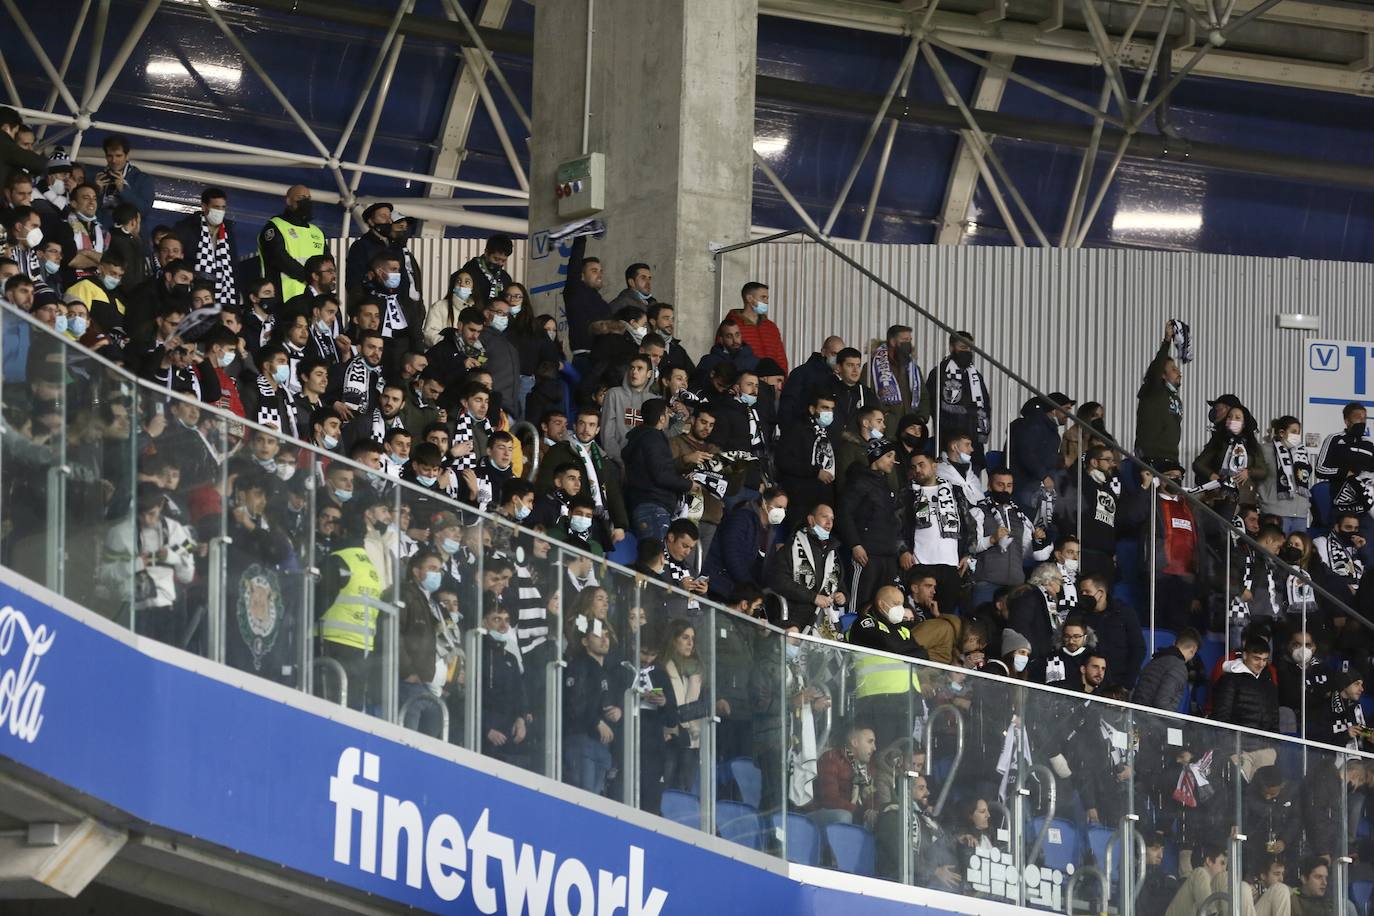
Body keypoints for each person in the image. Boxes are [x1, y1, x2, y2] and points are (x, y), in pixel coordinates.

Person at [316, 505, 388, 713]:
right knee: (351, 706)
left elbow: (320, 600)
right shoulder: (370, 567)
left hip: (332, 640)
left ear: (344, 531)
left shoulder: (339, 559)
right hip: (362, 646)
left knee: (326, 705)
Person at [838, 439, 913, 609]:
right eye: (888, 456)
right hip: (866, 555)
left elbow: (894, 520)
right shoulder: (858, 481)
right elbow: (844, 514)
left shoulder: (886, 485)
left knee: (884, 606)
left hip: (887, 555)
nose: (893, 460)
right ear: (876, 456)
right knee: (860, 603)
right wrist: (855, 544)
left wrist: (899, 549)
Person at [970, 467, 1052, 610]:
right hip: (987, 583)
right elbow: (971, 546)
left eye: (1009, 485)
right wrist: (993, 539)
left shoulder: (1021, 517)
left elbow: (1026, 553)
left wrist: (1037, 540)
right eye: (1000, 485)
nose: (1005, 489)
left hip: (1016, 585)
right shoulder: (978, 511)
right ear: (989, 485)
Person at [768, 503, 847, 638]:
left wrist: (843, 596)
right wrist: (814, 597)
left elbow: (841, 584)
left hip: (824, 618)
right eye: (824, 517)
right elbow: (780, 581)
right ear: (811, 520)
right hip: (795, 614)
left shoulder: (833, 551)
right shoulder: (791, 547)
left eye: (832, 519)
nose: (829, 522)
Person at [623, 398, 695, 543]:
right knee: (655, 557)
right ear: (662, 418)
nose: (669, 417)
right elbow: (661, 475)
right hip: (652, 507)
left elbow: (656, 468)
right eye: (668, 414)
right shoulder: (653, 438)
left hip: (644, 504)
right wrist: (689, 485)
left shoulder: (641, 437)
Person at [563, 615, 621, 795]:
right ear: (585, 641)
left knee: (595, 800)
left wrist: (619, 711)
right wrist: (597, 722)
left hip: (601, 745)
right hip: (581, 740)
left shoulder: (607, 671)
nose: (605, 639)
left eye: (606, 634)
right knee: (583, 798)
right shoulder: (579, 666)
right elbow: (575, 702)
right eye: (598, 635)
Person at [702, 488, 788, 600]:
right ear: (764, 503)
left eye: (784, 509)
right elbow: (732, 556)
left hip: (740, 588)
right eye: (778, 507)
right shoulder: (741, 518)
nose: (781, 512)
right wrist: (752, 589)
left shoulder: (770, 532)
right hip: (719, 582)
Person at [925, 331, 992, 473]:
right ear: (951, 348)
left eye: (969, 348)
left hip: (974, 441)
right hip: (949, 440)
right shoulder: (939, 373)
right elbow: (934, 405)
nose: (966, 351)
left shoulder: (975, 375)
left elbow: (985, 405)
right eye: (962, 347)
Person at [774, 392, 836, 530]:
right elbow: (783, 460)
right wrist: (815, 472)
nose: (829, 413)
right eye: (825, 408)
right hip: (800, 499)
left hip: (824, 498)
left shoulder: (831, 433)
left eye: (831, 409)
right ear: (812, 409)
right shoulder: (796, 430)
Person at [479, 604, 530, 766]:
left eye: (506, 620)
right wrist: (485, 729)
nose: (503, 625)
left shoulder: (511, 657)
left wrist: (521, 720)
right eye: (497, 619)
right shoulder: (476, 650)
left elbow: (519, 693)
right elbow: (467, 695)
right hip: (484, 736)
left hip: (509, 733)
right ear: (484, 622)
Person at [257, 185, 324, 304]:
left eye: (309, 198)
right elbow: (278, 257)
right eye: (301, 197)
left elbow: (326, 262)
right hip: (283, 297)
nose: (306, 201)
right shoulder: (275, 226)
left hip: (314, 297)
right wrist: (309, 277)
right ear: (288, 201)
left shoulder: (316, 232)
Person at [173, 187, 238, 306]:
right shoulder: (187, 228)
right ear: (204, 207)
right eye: (216, 207)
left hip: (221, 292)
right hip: (193, 290)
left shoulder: (228, 231)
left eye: (223, 208)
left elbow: (233, 265)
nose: (220, 211)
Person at [1136, 320, 1185, 465]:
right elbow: (1155, 369)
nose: (1179, 372)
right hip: (1151, 457)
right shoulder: (1153, 390)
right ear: (1163, 375)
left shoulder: (1175, 398)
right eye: (1173, 369)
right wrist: (1166, 341)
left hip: (1171, 458)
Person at [814, 723, 878, 828]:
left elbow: (874, 799)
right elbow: (830, 800)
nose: (874, 748)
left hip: (856, 815)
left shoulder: (867, 768)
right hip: (823, 817)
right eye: (870, 742)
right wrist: (860, 812)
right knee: (844, 816)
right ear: (855, 743)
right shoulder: (831, 759)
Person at [867, 324, 926, 432]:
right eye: (904, 340)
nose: (908, 344)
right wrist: (886, 416)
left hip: (910, 430)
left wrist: (921, 418)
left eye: (909, 340)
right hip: (886, 430)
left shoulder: (913, 369)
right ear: (893, 342)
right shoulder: (872, 367)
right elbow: (867, 395)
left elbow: (924, 396)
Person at [1260, 415, 1314, 534]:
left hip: (1300, 513)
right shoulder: (1266, 450)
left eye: (1298, 432)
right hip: (1275, 511)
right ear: (1282, 433)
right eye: (1293, 432)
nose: (1297, 436)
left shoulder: (1301, 454)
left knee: (1297, 551)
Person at [726, 281, 787, 374]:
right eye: (763, 297)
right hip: (746, 383)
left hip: (771, 382)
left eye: (767, 298)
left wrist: (781, 379)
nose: (766, 302)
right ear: (750, 298)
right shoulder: (731, 326)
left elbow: (781, 358)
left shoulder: (771, 327)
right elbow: (724, 357)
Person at [1134, 627, 1201, 711]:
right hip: (1151, 721)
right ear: (1193, 649)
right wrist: (1179, 723)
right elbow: (1162, 704)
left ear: (1175, 642)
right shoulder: (1178, 667)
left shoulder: (1155, 659)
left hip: (1137, 716)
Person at [96, 135, 155, 229]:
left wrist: (123, 190)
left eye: (118, 156)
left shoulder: (143, 179)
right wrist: (96, 191)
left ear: (127, 156)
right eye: (110, 156)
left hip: (128, 236)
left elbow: (144, 211)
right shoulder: (98, 177)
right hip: (101, 231)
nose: (114, 160)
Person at [1165, 842, 1228, 916]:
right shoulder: (1197, 875)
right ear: (1209, 861)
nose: (1224, 869)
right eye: (1222, 863)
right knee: (1201, 873)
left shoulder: (1218, 883)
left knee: (1242, 886)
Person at [459, 233, 514, 306]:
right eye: (496, 259)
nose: (499, 263)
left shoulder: (505, 278)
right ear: (486, 252)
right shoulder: (469, 271)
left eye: (503, 260)